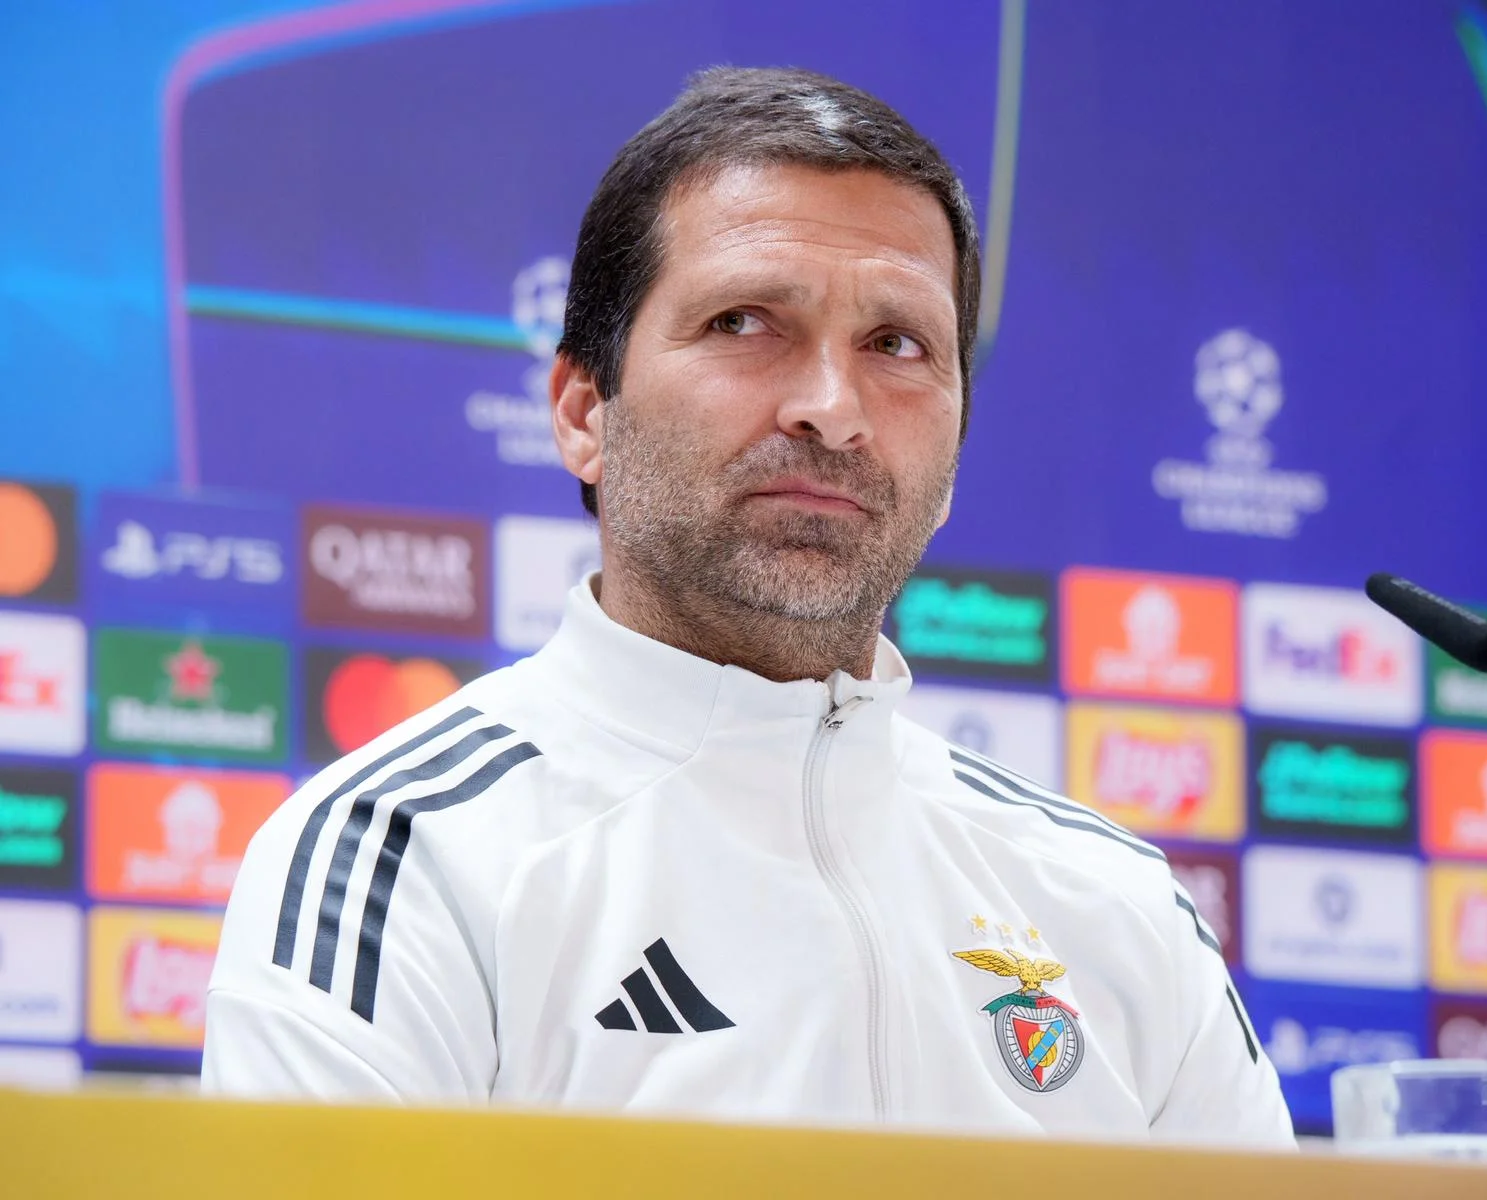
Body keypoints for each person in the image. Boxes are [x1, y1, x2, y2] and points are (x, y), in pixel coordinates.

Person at [203, 66, 1293, 1145]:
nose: (833, 408)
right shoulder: (404, 859)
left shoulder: (1114, 902)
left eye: (898, 345)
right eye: (744, 322)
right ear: (585, 410)